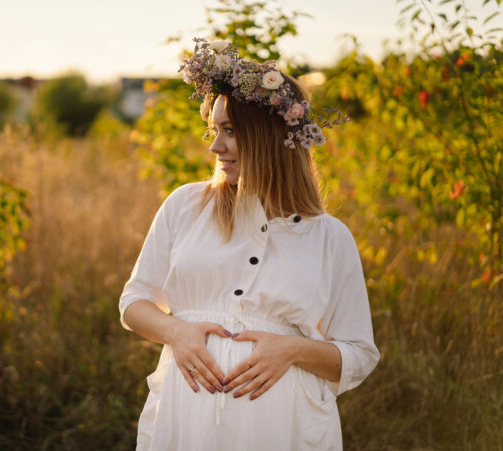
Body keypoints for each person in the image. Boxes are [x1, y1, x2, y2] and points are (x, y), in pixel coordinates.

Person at [118, 38, 380, 450]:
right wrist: (177, 332)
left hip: (284, 429)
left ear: (269, 138)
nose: (214, 146)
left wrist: (292, 350)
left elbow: (360, 355)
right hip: (185, 421)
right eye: (213, 130)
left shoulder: (329, 237)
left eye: (230, 131)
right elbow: (133, 303)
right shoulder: (186, 205)